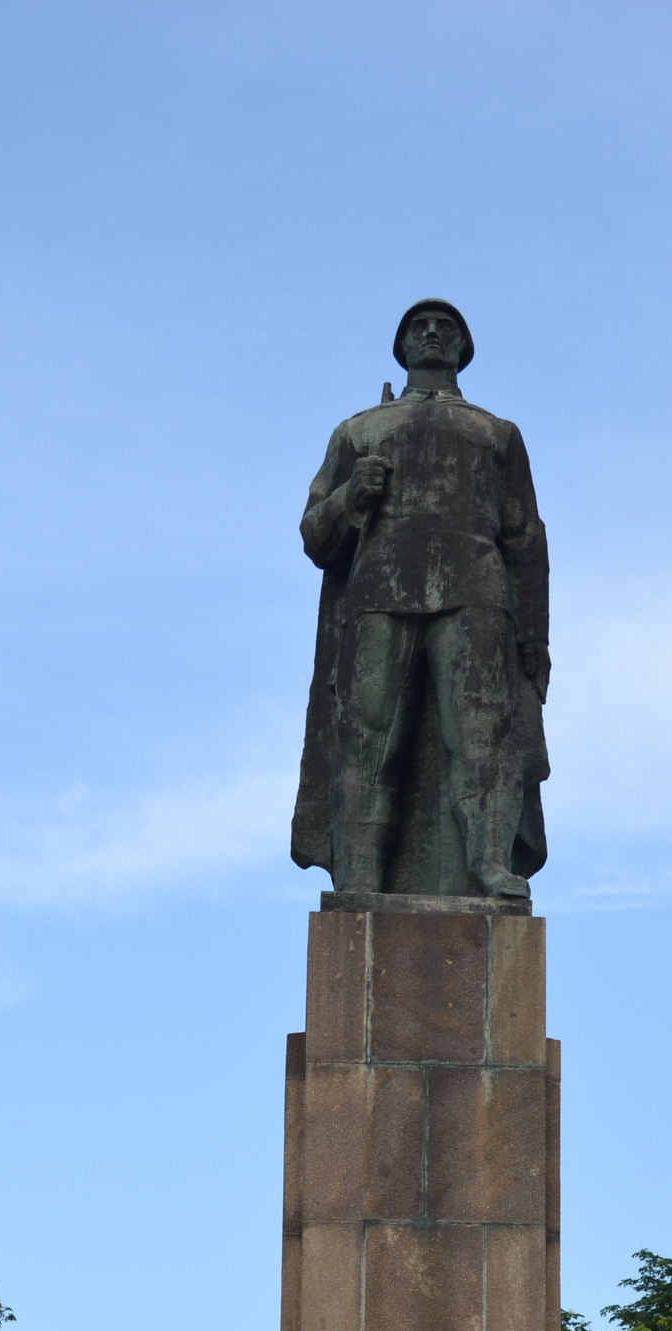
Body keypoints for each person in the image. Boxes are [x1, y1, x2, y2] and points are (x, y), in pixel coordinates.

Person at [291, 300, 551, 898]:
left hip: (479, 592)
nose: (432, 332)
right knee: (367, 738)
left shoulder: (497, 433)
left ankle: (489, 865)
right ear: (402, 346)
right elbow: (313, 533)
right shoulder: (359, 430)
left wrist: (533, 636)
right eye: (418, 326)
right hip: (380, 589)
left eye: (446, 326)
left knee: (483, 737)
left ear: (463, 347)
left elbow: (526, 538)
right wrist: (352, 495)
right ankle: (359, 879)